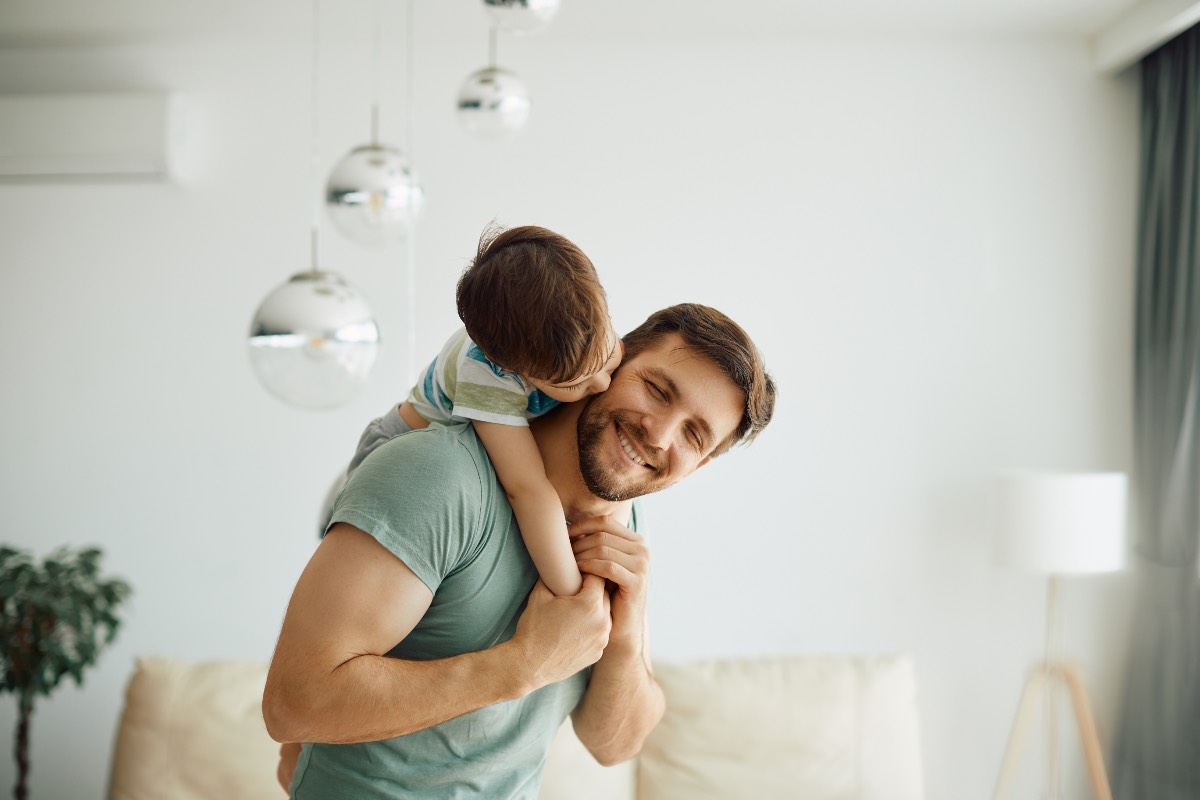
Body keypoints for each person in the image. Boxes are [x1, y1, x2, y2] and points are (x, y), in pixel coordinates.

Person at [264, 303, 776, 799]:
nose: (659, 434)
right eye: (658, 390)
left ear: (700, 464)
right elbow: (295, 703)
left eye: (693, 434)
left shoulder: (623, 527)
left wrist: (624, 629)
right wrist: (525, 663)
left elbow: (615, 744)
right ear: (614, 360)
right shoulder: (438, 476)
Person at [323, 224, 622, 597]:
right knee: (353, 570)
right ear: (514, 370)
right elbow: (527, 490)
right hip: (396, 449)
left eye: (609, 356)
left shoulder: (581, 326)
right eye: (574, 385)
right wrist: (574, 593)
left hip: (459, 451)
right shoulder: (487, 374)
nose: (603, 386)